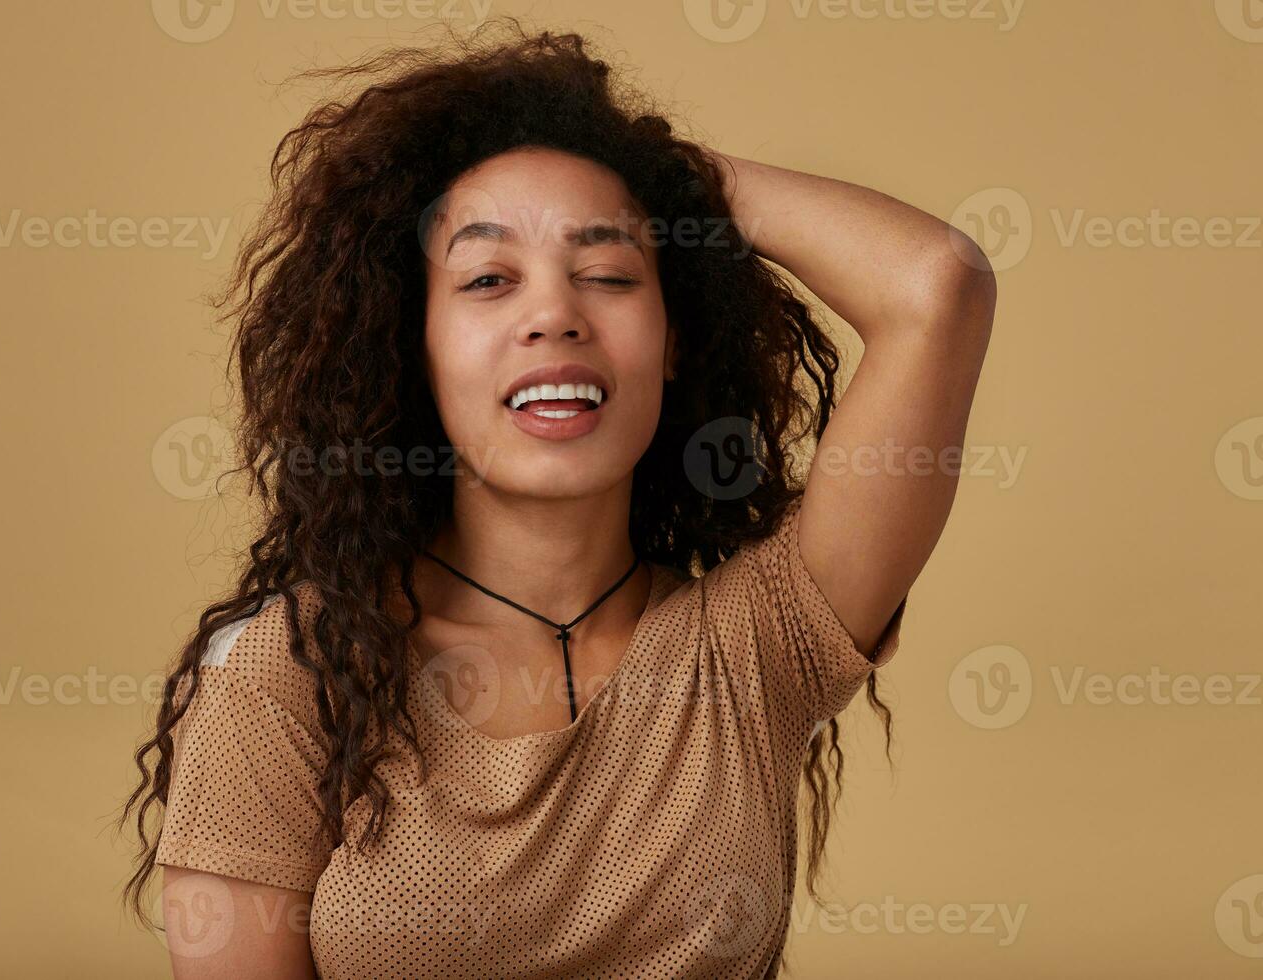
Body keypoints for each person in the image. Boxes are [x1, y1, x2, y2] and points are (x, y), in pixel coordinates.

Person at [119, 18, 996, 978]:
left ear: (673, 343)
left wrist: (655, 173)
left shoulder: (758, 645)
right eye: (489, 278)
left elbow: (936, 285)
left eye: (609, 272)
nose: (553, 315)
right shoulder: (292, 676)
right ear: (409, 347)